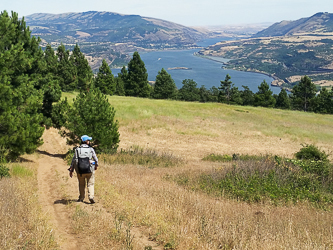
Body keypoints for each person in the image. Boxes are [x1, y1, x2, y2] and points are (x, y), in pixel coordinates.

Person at [68, 135, 99, 204]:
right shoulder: (91, 149)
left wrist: (71, 170)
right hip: (89, 170)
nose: (89, 141)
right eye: (88, 140)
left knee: (81, 184)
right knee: (90, 184)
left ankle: (81, 198)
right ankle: (91, 196)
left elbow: (73, 160)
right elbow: (96, 159)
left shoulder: (77, 149)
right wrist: (96, 166)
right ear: (86, 142)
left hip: (80, 170)